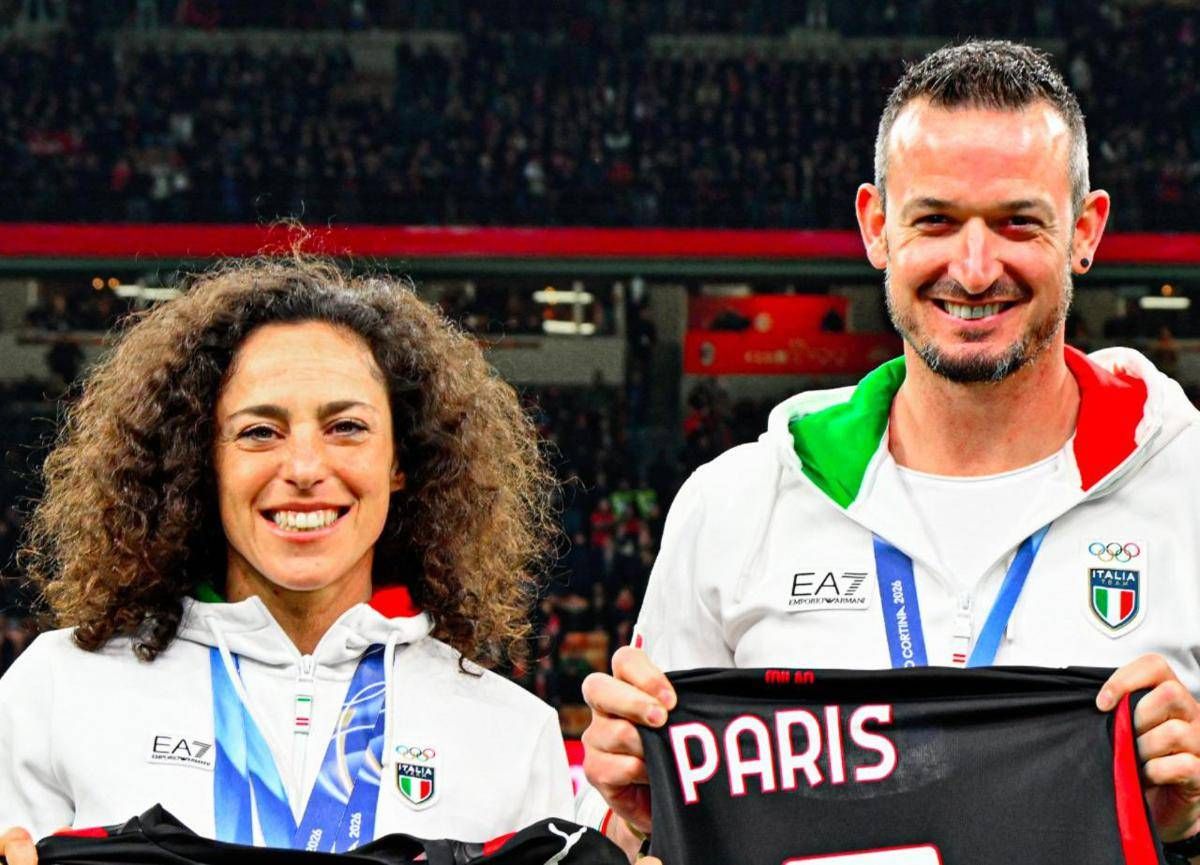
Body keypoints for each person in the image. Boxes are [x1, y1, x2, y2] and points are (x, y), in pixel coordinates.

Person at [580, 40, 1200, 863]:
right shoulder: (735, 505)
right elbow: (632, 837)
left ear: (1085, 231)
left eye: (1017, 222)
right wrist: (639, 810)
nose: (973, 270)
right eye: (935, 220)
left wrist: (1194, 819)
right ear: (876, 226)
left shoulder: (1186, 487)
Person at [0, 257, 573, 864]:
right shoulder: (59, 690)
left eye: (346, 427)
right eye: (259, 432)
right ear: (204, 460)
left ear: (400, 462)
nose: (303, 468)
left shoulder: (510, 734)